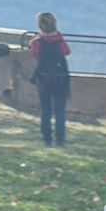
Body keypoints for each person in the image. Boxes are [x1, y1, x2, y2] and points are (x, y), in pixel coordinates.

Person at [29, 12, 70, 145]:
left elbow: (34, 55)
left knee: (45, 110)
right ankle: (60, 139)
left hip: (43, 79)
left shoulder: (36, 42)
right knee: (60, 111)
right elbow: (67, 52)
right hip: (60, 79)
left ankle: (47, 139)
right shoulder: (60, 41)